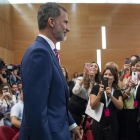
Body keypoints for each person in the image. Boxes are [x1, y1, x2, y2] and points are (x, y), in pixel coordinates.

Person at [19, 2, 83, 140]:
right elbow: (36, 113)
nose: (68, 28)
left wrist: (72, 125)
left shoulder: (48, 52)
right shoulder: (39, 53)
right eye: (65, 22)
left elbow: (55, 102)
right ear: (51, 22)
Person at [90, 67, 123, 140]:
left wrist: (111, 96)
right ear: (103, 77)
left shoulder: (117, 91)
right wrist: (99, 94)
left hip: (113, 124)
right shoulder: (96, 88)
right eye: (105, 74)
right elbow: (92, 106)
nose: (107, 76)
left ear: (114, 78)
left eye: (110, 74)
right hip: (99, 124)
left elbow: (120, 106)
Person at [119, 58, 140, 140]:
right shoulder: (128, 79)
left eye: (137, 66)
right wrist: (129, 88)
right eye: (133, 66)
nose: (135, 67)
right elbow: (122, 96)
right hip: (129, 111)